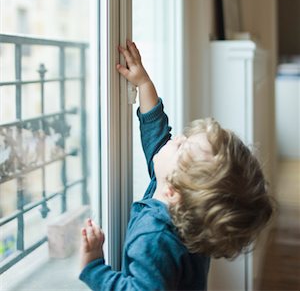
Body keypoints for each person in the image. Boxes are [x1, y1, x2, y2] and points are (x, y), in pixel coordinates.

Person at [79, 40, 273, 291]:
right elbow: (157, 136)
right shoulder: (185, 209)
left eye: (182, 147)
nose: (177, 139)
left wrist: (93, 268)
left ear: (174, 191)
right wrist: (144, 84)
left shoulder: (154, 238)